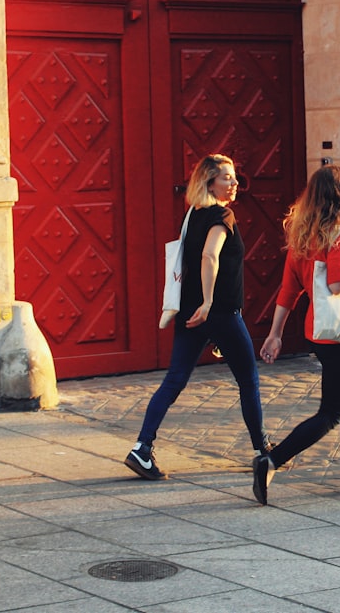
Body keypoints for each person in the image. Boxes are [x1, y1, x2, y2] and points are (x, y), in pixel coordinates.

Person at [124, 154, 271, 480]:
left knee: (174, 380)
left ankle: (142, 448)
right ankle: (262, 451)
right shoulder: (222, 216)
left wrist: (200, 306)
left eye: (233, 177)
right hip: (218, 311)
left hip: (192, 312)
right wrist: (208, 302)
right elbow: (209, 256)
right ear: (210, 183)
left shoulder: (192, 214)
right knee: (249, 381)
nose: (233, 184)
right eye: (226, 178)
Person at [253, 164, 340, 505]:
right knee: (332, 412)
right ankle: (271, 461)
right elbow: (339, 282)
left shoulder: (303, 236)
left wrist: (275, 334)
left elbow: (288, 290)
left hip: (319, 330)